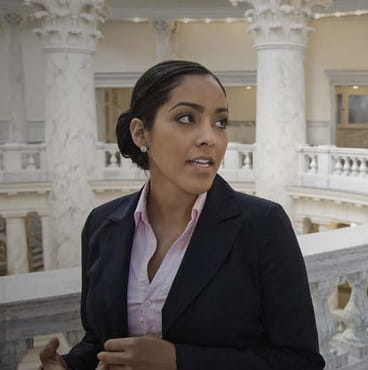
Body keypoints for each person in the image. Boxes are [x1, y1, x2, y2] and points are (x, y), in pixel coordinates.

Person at [39, 60, 325, 370]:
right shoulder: (102, 224)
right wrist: (69, 365)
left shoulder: (262, 226)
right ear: (140, 133)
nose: (210, 138)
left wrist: (179, 361)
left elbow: (301, 361)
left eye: (220, 122)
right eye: (187, 118)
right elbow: (100, 341)